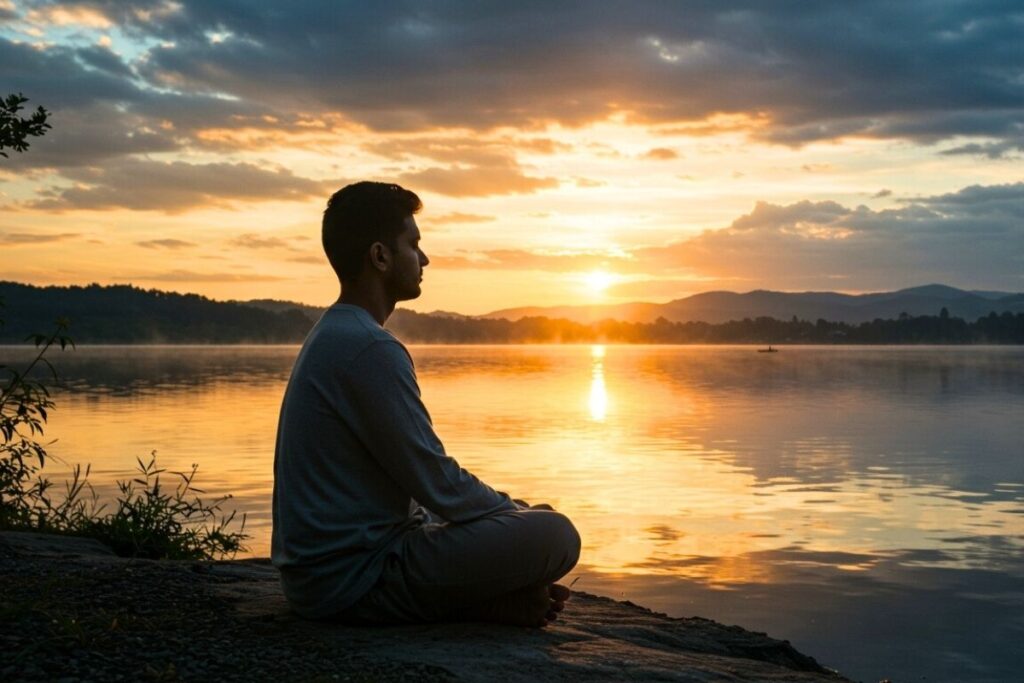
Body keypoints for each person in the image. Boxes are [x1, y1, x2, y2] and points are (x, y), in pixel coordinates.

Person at [271, 181, 580, 627]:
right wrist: (515, 514)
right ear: (380, 257)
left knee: (535, 519)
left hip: (327, 577)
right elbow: (439, 484)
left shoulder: (335, 333)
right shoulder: (369, 348)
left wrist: (515, 514)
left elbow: (419, 487)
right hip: (355, 582)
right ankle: (492, 603)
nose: (425, 258)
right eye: (413, 244)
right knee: (557, 534)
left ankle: (497, 601)